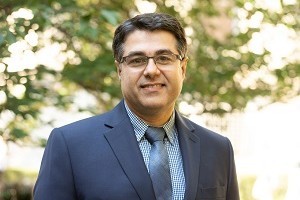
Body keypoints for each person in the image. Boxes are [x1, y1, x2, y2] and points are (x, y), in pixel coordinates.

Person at [33, 13, 240, 200]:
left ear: (183, 68)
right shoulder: (70, 146)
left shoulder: (218, 149)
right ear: (120, 70)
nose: (151, 70)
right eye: (137, 60)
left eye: (164, 58)